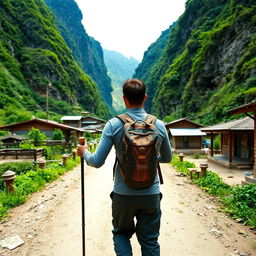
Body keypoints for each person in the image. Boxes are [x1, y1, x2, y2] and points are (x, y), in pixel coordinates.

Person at [77, 78, 172, 256]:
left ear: (124, 99)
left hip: (123, 194)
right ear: (144, 98)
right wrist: (149, 157)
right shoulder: (159, 125)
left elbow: (96, 161)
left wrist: (84, 153)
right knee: (150, 240)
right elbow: (167, 158)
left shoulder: (113, 124)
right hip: (151, 193)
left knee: (121, 234)